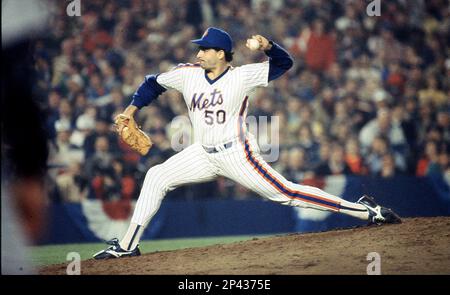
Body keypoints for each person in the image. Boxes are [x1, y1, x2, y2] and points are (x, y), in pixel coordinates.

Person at [93, 27, 401, 259]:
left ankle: (364, 212)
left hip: (237, 153)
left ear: (222, 54)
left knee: (286, 193)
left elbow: (284, 63)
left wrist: (267, 45)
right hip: (202, 153)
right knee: (156, 176)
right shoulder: (187, 74)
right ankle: (127, 246)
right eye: (199, 48)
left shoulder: (242, 76)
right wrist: (130, 111)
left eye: (206, 49)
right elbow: (151, 83)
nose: (199, 53)